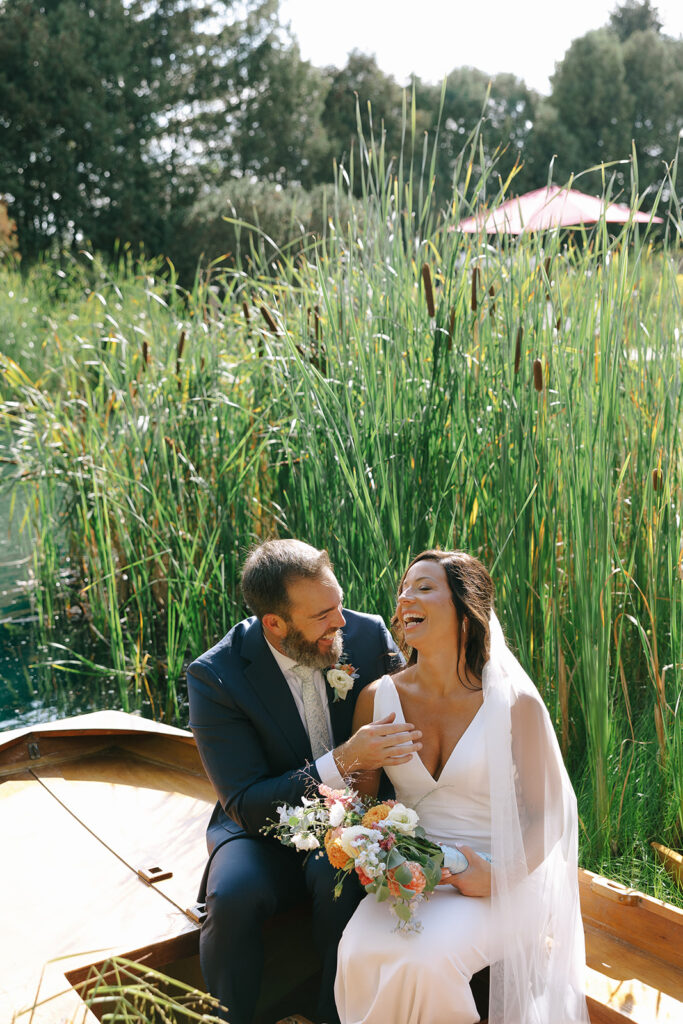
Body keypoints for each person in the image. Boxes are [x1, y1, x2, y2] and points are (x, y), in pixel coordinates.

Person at [334, 549, 589, 1024]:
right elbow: (362, 806)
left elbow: (550, 814)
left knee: (426, 962)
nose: (406, 596)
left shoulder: (515, 706)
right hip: (414, 876)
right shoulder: (377, 699)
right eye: (404, 589)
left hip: (503, 876)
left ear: (467, 611)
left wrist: (499, 876)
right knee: (356, 952)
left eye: (425, 587)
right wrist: (375, 851)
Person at [187, 538, 421, 1024]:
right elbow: (247, 802)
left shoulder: (366, 634)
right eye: (321, 615)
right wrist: (347, 756)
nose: (340, 622)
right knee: (231, 897)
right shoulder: (217, 676)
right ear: (274, 623)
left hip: (351, 816)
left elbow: (421, 708)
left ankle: (330, 1015)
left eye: (338, 603)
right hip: (261, 829)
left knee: (337, 874)